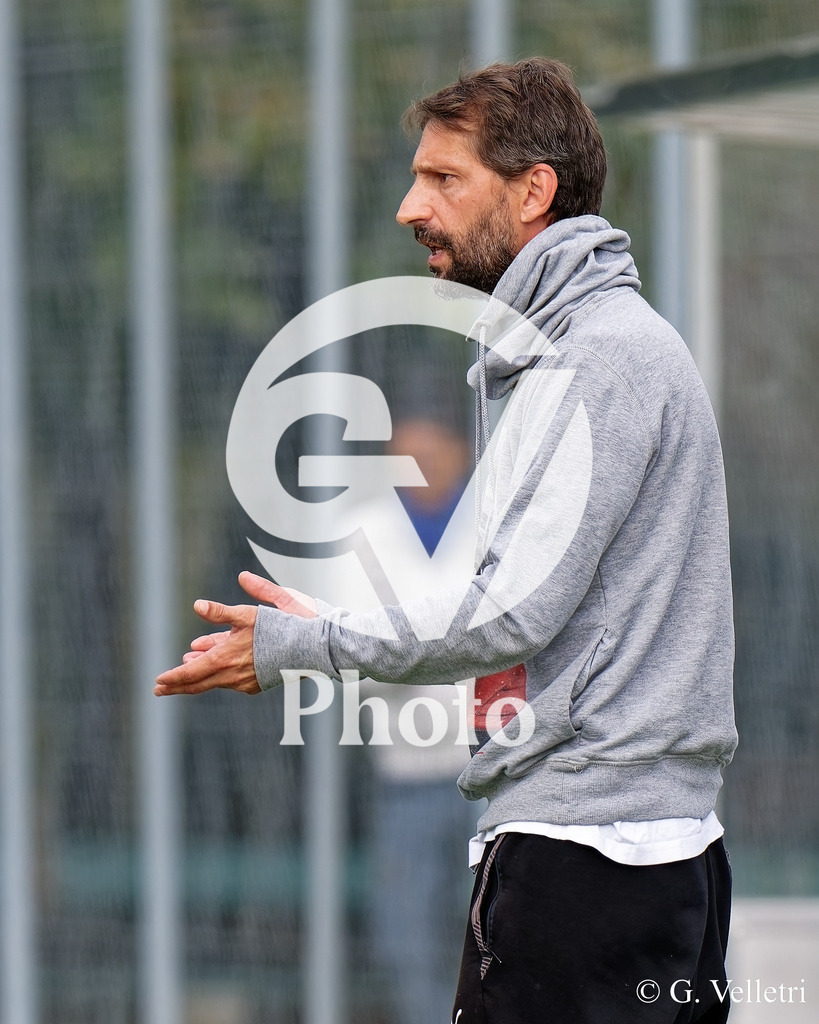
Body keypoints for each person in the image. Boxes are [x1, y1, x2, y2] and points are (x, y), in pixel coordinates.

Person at [156, 58, 738, 1024]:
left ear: (532, 192)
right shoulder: (578, 352)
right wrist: (332, 621)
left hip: (588, 873)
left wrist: (302, 645)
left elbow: (508, 612)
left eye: (442, 179)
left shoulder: (596, 358)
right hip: (615, 859)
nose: (407, 206)